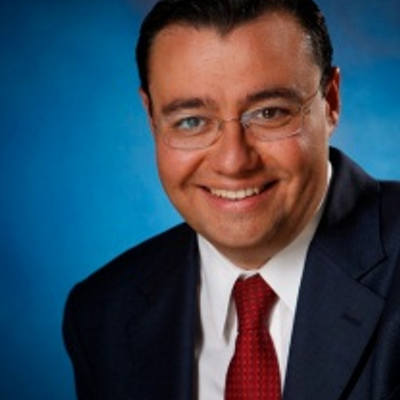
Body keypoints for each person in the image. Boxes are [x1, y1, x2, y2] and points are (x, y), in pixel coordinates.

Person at [63, 0, 400, 399]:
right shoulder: (102, 314)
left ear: (330, 102)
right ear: (152, 120)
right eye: (191, 121)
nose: (233, 162)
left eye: (269, 113)